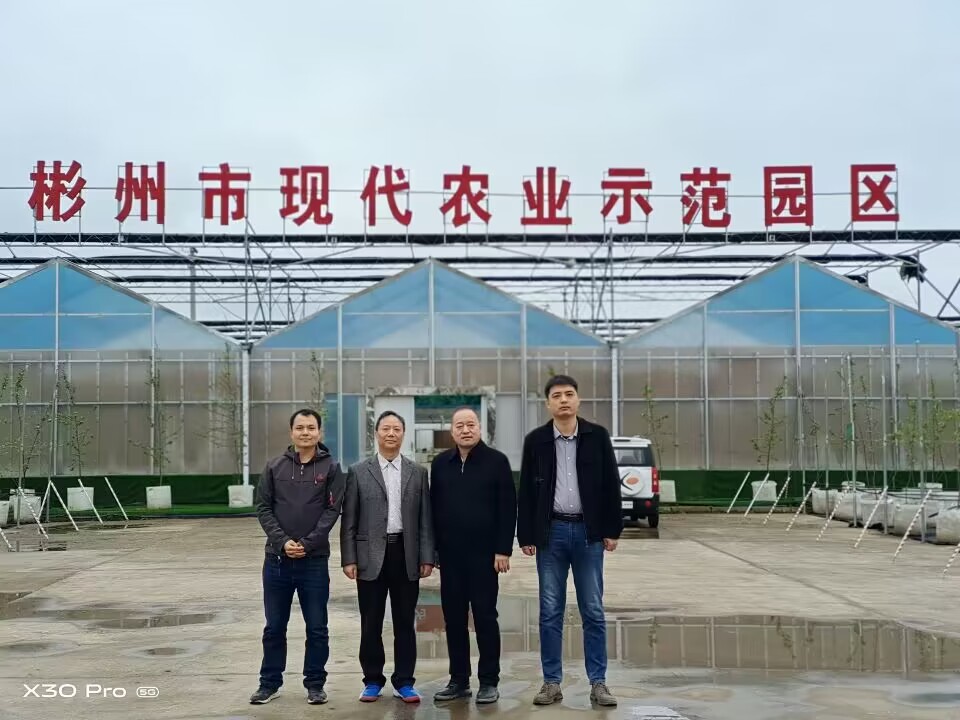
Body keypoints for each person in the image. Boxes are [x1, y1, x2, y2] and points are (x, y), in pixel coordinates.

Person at [516, 375, 622, 707]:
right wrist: (526, 534)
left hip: (589, 535)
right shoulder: (536, 441)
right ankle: (551, 683)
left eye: (569, 394)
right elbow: (527, 491)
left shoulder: (597, 437)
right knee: (550, 610)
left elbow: (611, 484)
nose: (564, 400)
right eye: (557, 396)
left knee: (593, 609)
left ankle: (598, 683)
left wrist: (611, 529)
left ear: (578, 400)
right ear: (548, 404)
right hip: (551, 534)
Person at [250, 408, 346, 706]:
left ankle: (315, 684)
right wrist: (282, 542)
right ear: (292, 432)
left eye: (311, 428)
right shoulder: (274, 467)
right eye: (300, 428)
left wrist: (307, 543)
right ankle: (269, 683)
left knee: (317, 627)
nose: (306, 433)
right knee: (274, 627)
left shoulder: (331, 467)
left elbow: (332, 510)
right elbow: (263, 508)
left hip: (313, 562)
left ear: (319, 432)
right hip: (277, 562)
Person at [340, 410, 435, 704]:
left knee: (405, 622)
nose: (391, 433)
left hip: (406, 554)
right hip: (370, 556)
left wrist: (427, 556)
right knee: (371, 622)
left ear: (403, 434)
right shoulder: (359, 471)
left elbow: (425, 519)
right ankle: (372, 680)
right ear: (376, 433)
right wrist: (349, 558)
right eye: (385, 428)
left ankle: (404, 681)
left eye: (396, 429)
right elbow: (349, 519)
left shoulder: (417, 472)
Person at [430, 406, 517, 704]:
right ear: (452, 430)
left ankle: (489, 681)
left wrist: (503, 549)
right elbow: (434, 509)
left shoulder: (496, 462)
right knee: (454, 620)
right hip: (450, 557)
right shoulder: (441, 464)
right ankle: (459, 680)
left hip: (485, 557)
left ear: (480, 428)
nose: (465, 430)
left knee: (485, 617)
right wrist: (434, 550)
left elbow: (508, 507)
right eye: (460, 425)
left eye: (471, 424)